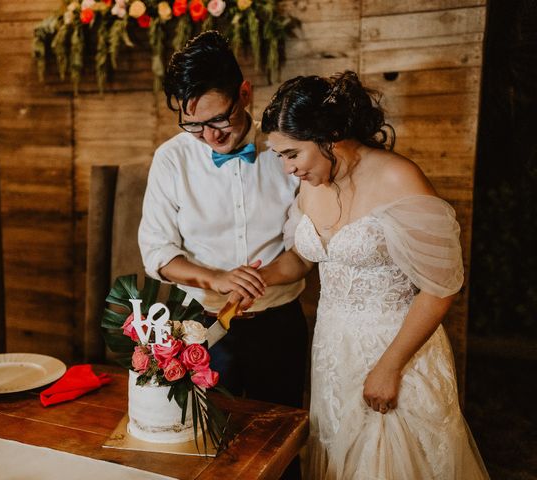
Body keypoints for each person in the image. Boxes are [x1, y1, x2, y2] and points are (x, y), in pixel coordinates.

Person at [261, 72, 490, 479]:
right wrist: (258, 280)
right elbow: (302, 259)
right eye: (279, 155)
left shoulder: (398, 178)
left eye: (292, 153)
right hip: (333, 351)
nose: (287, 168)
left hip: (398, 348)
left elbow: (440, 287)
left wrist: (390, 366)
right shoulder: (312, 182)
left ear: (330, 134)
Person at [138, 31, 309, 416]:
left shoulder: (288, 150)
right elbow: (158, 252)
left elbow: (304, 248)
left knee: (278, 440)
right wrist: (216, 279)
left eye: (218, 119)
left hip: (278, 324)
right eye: (193, 125)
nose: (209, 136)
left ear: (245, 94)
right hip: (199, 326)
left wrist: (256, 280)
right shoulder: (171, 159)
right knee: (203, 444)